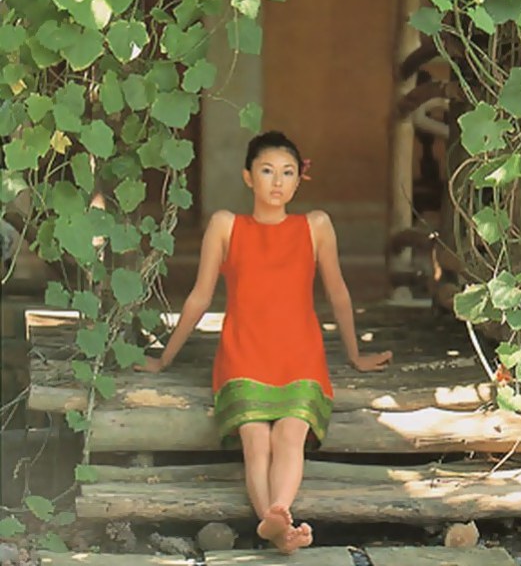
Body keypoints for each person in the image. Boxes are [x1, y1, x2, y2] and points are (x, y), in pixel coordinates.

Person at [137, 130, 393, 553]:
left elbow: (338, 293)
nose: (277, 182)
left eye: (288, 172)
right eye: (267, 171)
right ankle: (277, 525)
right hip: (244, 354)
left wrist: (355, 355)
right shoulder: (225, 226)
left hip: (300, 357)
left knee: (290, 434)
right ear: (248, 177)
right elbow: (200, 297)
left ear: (299, 180)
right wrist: (164, 359)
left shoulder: (315, 226)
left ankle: (277, 519)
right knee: (255, 439)